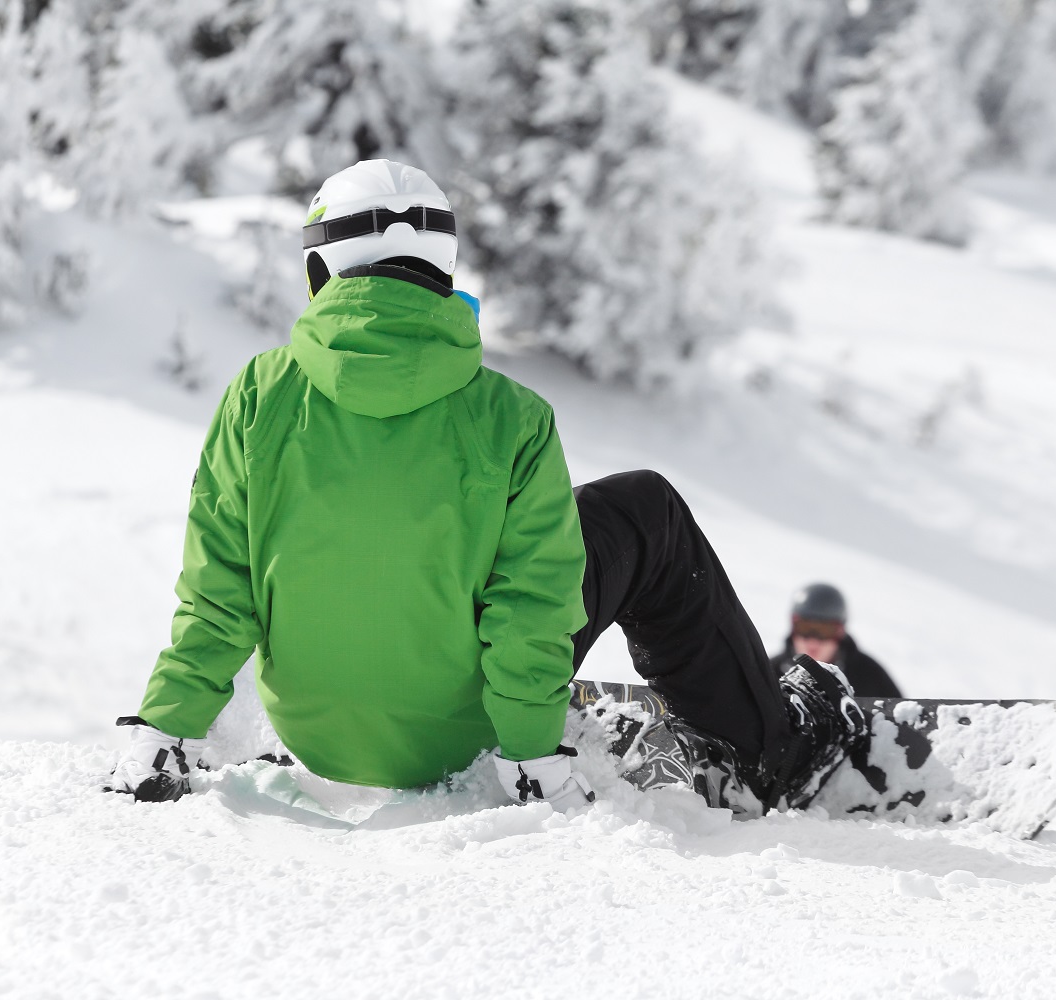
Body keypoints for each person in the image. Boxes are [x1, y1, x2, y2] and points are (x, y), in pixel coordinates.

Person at [109, 160, 864, 813]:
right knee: (644, 508)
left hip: (319, 735)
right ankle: (772, 753)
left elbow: (220, 590)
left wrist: (163, 724)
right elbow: (531, 603)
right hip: (460, 732)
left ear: (321, 268)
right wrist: (532, 752)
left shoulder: (258, 395)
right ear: (443, 268)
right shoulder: (512, 416)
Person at [770, 583, 902, 698]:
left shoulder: (869, 675)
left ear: (840, 631)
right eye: (805, 627)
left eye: (825, 630)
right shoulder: (770, 674)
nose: (813, 641)